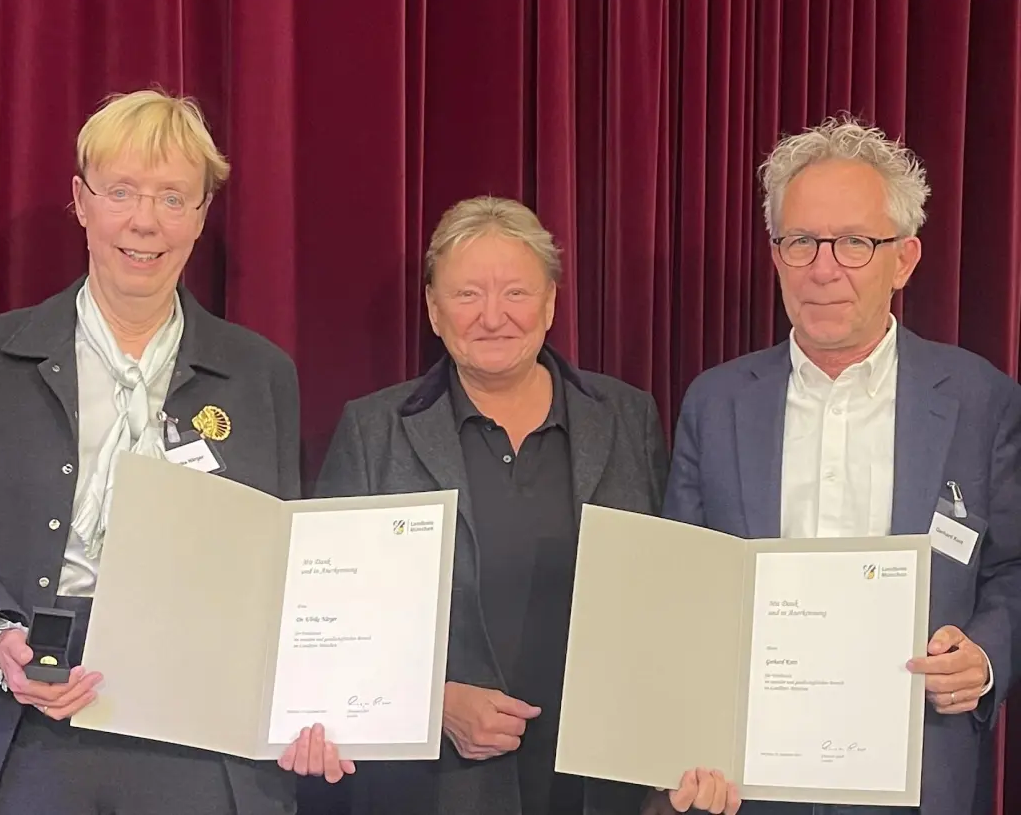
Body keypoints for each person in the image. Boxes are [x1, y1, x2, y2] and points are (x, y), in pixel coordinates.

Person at [0, 88, 341, 815]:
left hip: (201, 735)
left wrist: (320, 701)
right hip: (25, 718)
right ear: (80, 201)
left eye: (174, 198)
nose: (146, 221)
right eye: (122, 192)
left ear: (202, 216)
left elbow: (285, 574)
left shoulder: (261, 376)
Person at [314, 195, 726, 815]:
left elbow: (669, 601)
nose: (492, 316)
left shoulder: (628, 418)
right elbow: (328, 622)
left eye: (516, 292)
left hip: (596, 786)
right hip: (436, 788)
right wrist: (436, 703)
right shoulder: (375, 431)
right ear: (432, 307)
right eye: (467, 294)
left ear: (552, 302)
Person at [665, 115, 1021, 815]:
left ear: (905, 259)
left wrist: (984, 657)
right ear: (775, 255)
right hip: (748, 782)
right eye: (801, 242)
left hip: (919, 773)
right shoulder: (716, 402)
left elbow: (1011, 567)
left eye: (855, 243)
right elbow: (683, 584)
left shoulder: (981, 399)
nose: (824, 268)